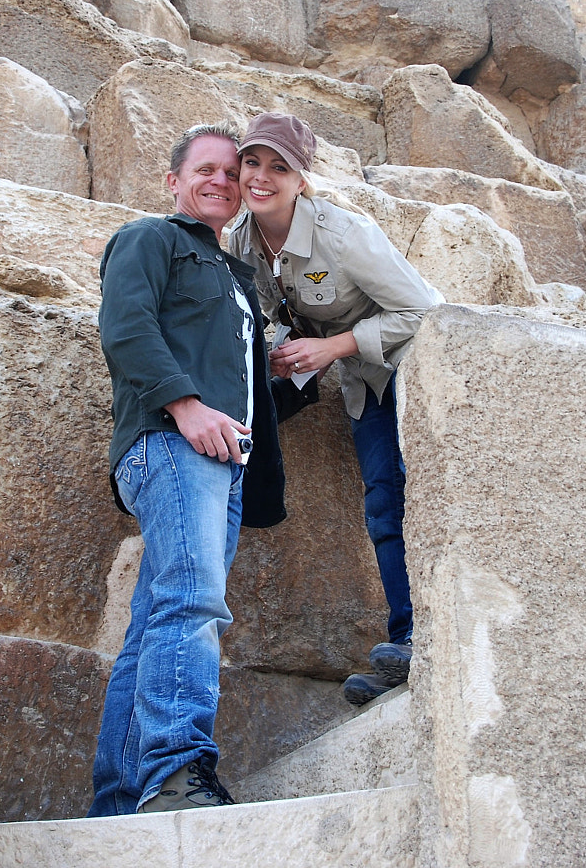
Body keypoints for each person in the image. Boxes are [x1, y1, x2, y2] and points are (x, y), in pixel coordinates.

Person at [88, 122, 286, 816]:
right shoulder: (150, 238)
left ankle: (119, 801)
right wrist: (186, 406)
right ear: (174, 180)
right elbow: (125, 327)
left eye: (233, 174)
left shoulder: (234, 277)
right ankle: (178, 773)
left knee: (158, 622)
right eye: (205, 169)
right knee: (194, 602)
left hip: (223, 462)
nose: (221, 182)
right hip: (171, 443)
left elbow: (245, 379)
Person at [228, 112, 442, 707]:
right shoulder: (243, 241)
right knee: (380, 502)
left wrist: (332, 346)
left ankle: (434, 639)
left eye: (280, 167)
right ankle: (408, 643)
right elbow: (273, 312)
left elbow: (423, 311)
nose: (262, 178)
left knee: (409, 494)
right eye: (253, 163)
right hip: (358, 380)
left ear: (302, 178)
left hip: (410, 369)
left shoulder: (344, 234)